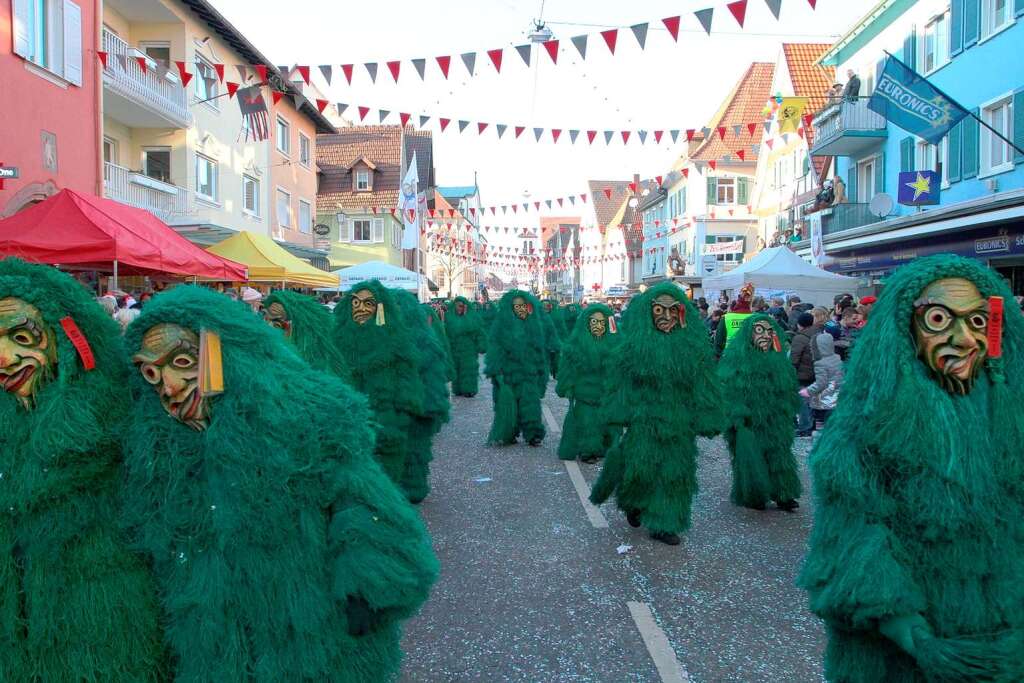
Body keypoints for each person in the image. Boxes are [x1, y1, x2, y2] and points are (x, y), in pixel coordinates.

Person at [122, 286, 438, 682]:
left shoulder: (305, 417)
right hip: (214, 639)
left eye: (183, 362)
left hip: (309, 633)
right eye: (152, 373)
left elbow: (363, 504)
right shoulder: (155, 452)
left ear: (224, 354)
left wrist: (368, 587)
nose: (168, 388)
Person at [800, 255, 1024, 682]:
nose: (964, 339)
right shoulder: (869, 422)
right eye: (940, 319)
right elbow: (853, 535)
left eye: (979, 322)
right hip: (906, 649)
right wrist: (918, 638)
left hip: (1000, 634)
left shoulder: (1009, 414)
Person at [0, 258, 162, 680]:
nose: (3, 358)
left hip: (99, 619)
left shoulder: (117, 410)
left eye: (20, 337)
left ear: (67, 340)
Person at [590, 283, 723, 545]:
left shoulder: (694, 349)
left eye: (673, 311)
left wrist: (708, 416)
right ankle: (634, 502)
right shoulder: (631, 349)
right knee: (641, 470)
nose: (666, 317)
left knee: (676, 473)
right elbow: (620, 384)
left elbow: (705, 384)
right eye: (659, 311)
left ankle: (665, 522)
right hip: (644, 421)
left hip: (680, 424)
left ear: (681, 315)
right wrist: (618, 413)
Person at [332, 280, 426, 485]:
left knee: (387, 466)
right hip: (350, 415)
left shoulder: (395, 338)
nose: (361, 309)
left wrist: (403, 409)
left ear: (379, 308)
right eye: (355, 303)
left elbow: (406, 375)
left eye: (368, 304)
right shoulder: (336, 339)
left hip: (386, 415)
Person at [718, 314, 801, 512]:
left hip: (775, 419)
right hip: (749, 419)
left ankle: (783, 493)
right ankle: (755, 494)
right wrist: (738, 416)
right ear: (749, 334)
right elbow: (728, 389)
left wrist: (787, 410)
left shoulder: (779, 360)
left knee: (780, 455)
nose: (764, 335)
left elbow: (788, 388)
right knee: (752, 458)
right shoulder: (736, 358)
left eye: (769, 331)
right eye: (759, 330)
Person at [394, 289, 451, 504]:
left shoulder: (425, 342)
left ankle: (414, 487)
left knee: (416, 451)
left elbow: (433, 377)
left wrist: (431, 406)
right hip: (391, 409)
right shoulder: (381, 340)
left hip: (417, 407)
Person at [556, 303, 621, 463]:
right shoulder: (576, 345)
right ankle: (588, 451)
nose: (598, 326)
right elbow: (567, 368)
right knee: (588, 423)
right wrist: (566, 386)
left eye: (601, 322)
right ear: (587, 324)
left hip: (607, 394)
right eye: (594, 322)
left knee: (609, 425)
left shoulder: (617, 344)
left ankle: (604, 448)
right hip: (585, 394)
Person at [485, 290, 549, 447]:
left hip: (529, 373)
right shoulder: (501, 327)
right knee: (509, 406)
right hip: (508, 373)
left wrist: (542, 370)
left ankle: (533, 434)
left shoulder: (534, 326)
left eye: (523, 305)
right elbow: (495, 349)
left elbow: (539, 350)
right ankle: (509, 433)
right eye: (517, 306)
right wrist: (496, 371)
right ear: (510, 308)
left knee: (531, 404)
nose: (520, 309)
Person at [264, 289, 351, 380]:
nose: (269, 327)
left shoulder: (314, 351)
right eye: (266, 320)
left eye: (278, 324)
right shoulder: (269, 347)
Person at [800, 332, 844, 434]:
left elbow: (821, 383)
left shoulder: (820, 363)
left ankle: (819, 447)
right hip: (836, 395)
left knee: (821, 427)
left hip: (824, 400)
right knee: (832, 425)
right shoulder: (837, 358)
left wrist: (808, 391)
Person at [445, 296, 487, 397]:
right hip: (454, 349)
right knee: (457, 370)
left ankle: (469, 389)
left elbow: (479, 332)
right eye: (459, 306)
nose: (460, 308)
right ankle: (457, 389)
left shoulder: (472, 317)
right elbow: (446, 332)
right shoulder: (449, 317)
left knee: (468, 369)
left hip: (469, 349)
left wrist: (482, 345)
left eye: (463, 306)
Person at [790, 311, 820, 437]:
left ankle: (804, 427)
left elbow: (794, 358)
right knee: (812, 400)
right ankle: (812, 425)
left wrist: (790, 372)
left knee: (802, 401)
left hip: (802, 374)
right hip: (816, 372)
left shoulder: (799, 338)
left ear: (800, 324)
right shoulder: (819, 334)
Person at [715, 282, 756, 356]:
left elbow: (718, 341)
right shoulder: (755, 318)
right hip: (749, 358)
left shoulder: (727, 318)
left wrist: (719, 357)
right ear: (751, 302)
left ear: (738, 301)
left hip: (729, 357)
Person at [539, 298, 564, 378]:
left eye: (547, 306)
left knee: (555, 358)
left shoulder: (557, 316)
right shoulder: (537, 317)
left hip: (554, 342)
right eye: (544, 306)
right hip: (543, 343)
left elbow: (561, 329)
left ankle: (555, 371)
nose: (546, 307)